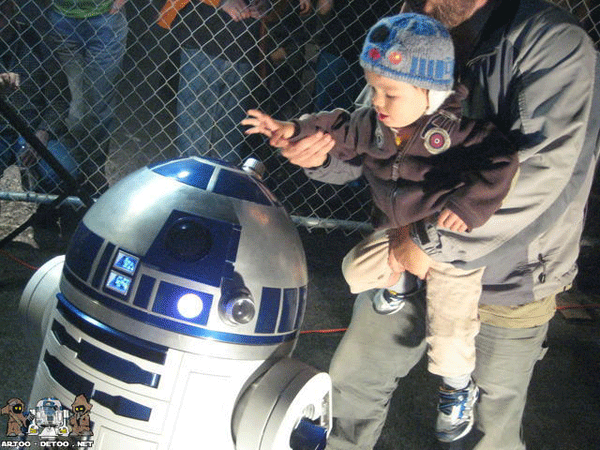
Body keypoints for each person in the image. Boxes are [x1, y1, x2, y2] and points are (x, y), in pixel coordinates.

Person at [268, 0, 600, 448]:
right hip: (403, 258)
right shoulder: (413, 20)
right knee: (350, 394)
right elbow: (378, 137)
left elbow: (539, 172)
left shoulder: (550, 41)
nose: (420, 5)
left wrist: (427, 242)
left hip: (507, 275)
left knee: (485, 429)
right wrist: (324, 154)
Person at [243, 12, 518, 443]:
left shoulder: (457, 131)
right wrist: (294, 130)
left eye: (390, 92)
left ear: (432, 91)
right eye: (373, 89)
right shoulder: (375, 124)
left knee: (449, 329)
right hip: (395, 236)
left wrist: (466, 206)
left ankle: (457, 386)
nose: (377, 101)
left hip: (448, 248)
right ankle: (401, 283)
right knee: (354, 271)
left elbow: (502, 162)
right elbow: (334, 125)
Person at [160, 0, 270, 165]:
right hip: (204, 40)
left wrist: (266, 6)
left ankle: (215, 188)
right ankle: (191, 188)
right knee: (194, 143)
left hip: (244, 49)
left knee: (228, 148)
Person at [48, 0, 129, 197]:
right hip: (63, 19)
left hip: (105, 20)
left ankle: (92, 174)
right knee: (75, 111)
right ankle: (74, 174)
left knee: (99, 108)